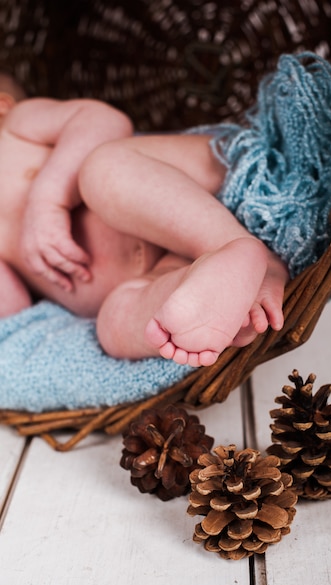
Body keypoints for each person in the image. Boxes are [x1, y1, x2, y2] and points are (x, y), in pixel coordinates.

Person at [0, 72, 288, 368]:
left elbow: (103, 121)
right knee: (112, 326)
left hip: (182, 189)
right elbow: (14, 307)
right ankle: (215, 298)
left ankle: (250, 254)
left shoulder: (16, 127)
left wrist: (47, 201)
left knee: (103, 170)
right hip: (158, 270)